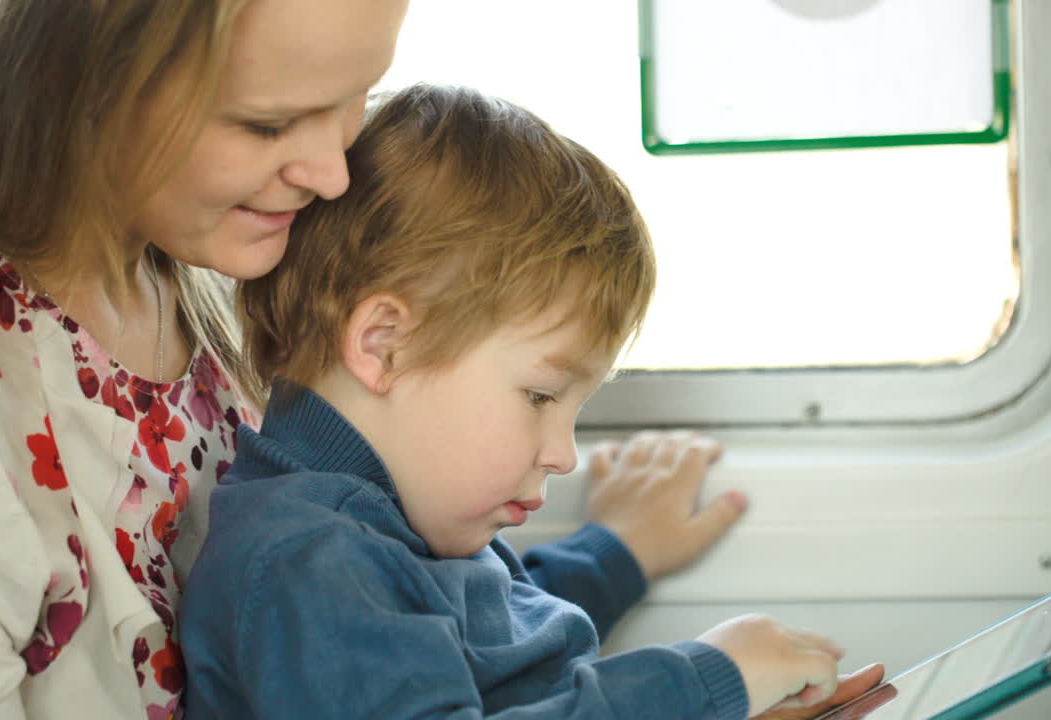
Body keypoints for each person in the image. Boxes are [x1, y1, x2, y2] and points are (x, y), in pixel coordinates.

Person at [0, 1, 836, 718]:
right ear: (94, 79)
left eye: (354, 100)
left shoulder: (225, 254)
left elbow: (457, 624)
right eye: (268, 123)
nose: (333, 174)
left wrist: (612, 557)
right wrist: (693, 687)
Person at [180, 84, 863, 720]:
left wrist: (615, 554)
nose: (564, 455)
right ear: (386, 346)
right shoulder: (309, 567)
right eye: (540, 395)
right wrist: (697, 686)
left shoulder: (389, 528)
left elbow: (499, 625)